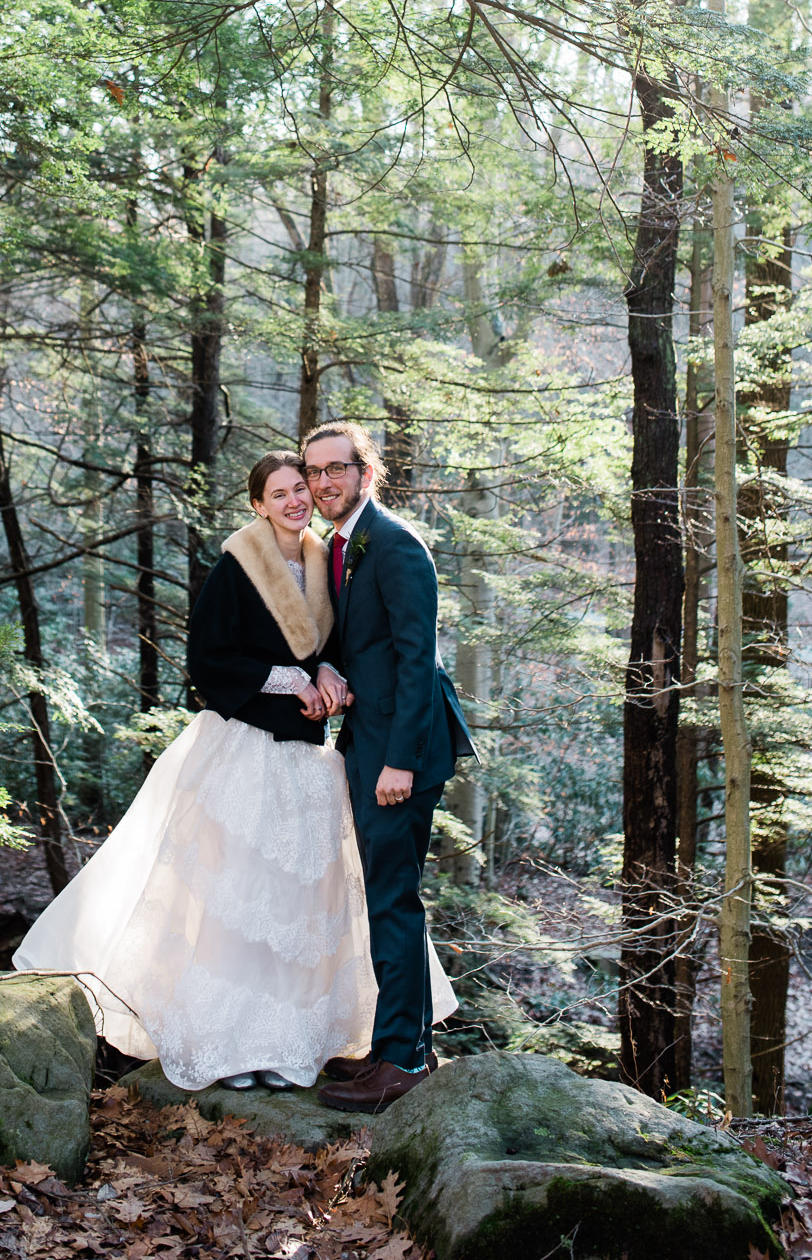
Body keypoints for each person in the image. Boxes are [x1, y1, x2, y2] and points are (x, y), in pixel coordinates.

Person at [10, 451, 452, 1090]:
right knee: (235, 902)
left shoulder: (330, 560)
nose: (298, 499)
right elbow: (210, 662)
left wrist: (327, 671)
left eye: (302, 487)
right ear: (258, 505)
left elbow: (352, 647)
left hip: (310, 756)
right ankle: (227, 1043)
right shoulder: (236, 566)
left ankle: (283, 1043)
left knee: (295, 908)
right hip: (247, 748)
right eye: (281, 493)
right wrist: (291, 678)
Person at [302, 418, 475, 1114]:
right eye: (313, 472)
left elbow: (416, 661)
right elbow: (361, 644)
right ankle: (390, 1046)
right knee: (382, 901)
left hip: (401, 757)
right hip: (369, 743)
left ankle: (404, 1061)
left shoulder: (396, 545)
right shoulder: (343, 547)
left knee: (393, 903)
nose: (322, 483)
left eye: (335, 469)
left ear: (364, 473)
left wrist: (398, 763)